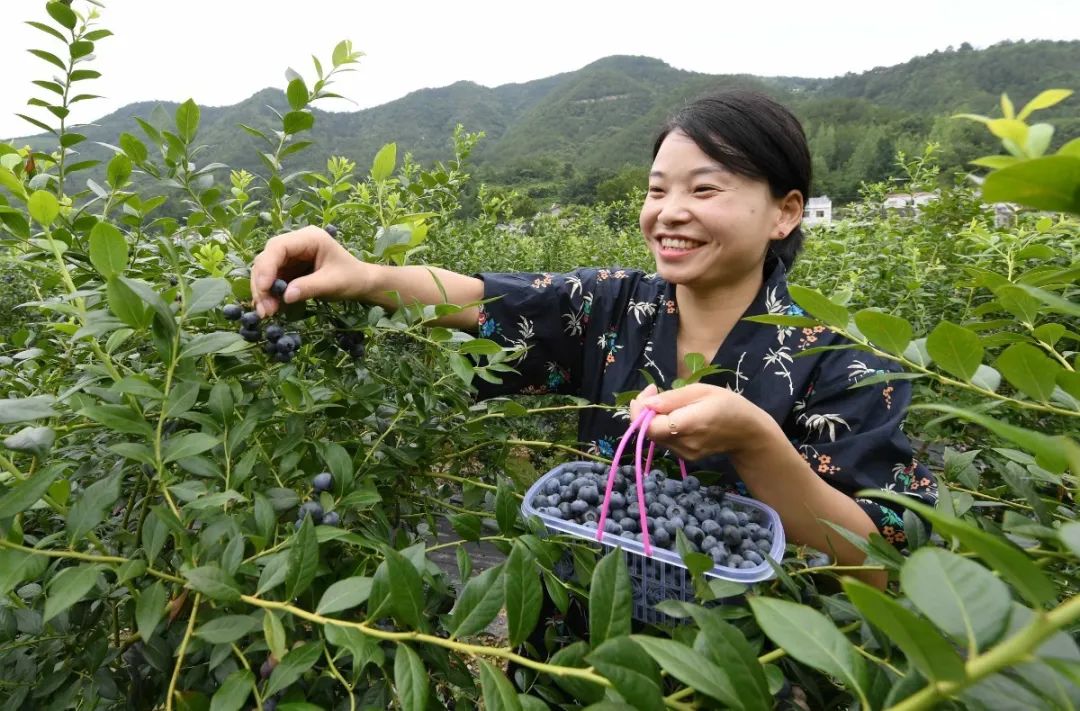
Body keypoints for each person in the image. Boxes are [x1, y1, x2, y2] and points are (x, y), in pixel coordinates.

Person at [250, 89, 937, 583]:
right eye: (656, 189)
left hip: (746, 671)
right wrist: (363, 274)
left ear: (785, 212)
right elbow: (483, 298)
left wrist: (757, 443)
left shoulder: (848, 368)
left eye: (704, 190)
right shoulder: (617, 309)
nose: (669, 212)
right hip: (581, 642)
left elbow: (873, 562)